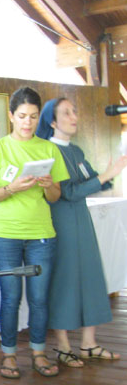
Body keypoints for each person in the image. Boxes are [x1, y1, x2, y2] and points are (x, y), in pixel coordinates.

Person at [0, 86, 70, 379]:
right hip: (5, 235)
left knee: (40, 298)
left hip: (42, 233)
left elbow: (55, 197)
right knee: (10, 297)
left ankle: (39, 354)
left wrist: (47, 185)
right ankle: (9, 356)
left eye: (32, 116)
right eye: (21, 116)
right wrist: (11, 189)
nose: (27, 123)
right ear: (11, 116)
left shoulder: (49, 148)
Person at [37, 98, 125, 366]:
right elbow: (69, 192)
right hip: (61, 222)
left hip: (81, 221)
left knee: (90, 275)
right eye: (67, 113)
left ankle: (89, 343)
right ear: (52, 121)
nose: (74, 116)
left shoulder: (75, 150)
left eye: (75, 111)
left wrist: (109, 175)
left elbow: (92, 180)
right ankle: (63, 346)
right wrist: (106, 174)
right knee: (65, 280)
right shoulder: (48, 151)